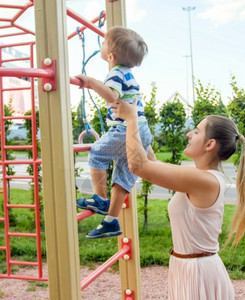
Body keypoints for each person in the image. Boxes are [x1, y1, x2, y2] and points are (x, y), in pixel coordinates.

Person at [114, 99, 245, 299]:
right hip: (187, 266)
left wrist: (131, 118)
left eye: (196, 131)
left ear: (209, 144)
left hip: (198, 272)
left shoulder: (205, 180)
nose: (189, 134)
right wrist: (140, 125)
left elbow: (138, 166)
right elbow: (152, 164)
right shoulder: (198, 176)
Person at [74, 27, 153, 239]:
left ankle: (100, 198)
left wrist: (90, 82)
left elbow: (111, 96)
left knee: (97, 155)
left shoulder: (116, 73)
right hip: (140, 128)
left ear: (110, 56)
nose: (101, 47)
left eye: (103, 44)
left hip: (125, 128)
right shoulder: (129, 75)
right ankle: (111, 220)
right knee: (123, 177)